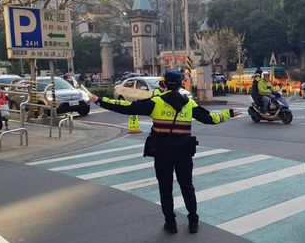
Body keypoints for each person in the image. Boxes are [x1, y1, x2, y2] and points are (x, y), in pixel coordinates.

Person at [90, 69, 241, 234]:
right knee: (187, 187)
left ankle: (171, 223)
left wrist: (100, 101)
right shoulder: (189, 104)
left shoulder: (156, 102)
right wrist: (230, 113)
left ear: (164, 83)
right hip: (183, 152)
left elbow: (127, 107)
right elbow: (210, 119)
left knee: (165, 188)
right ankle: (193, 221)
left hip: (162, 153)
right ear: (181, 83)